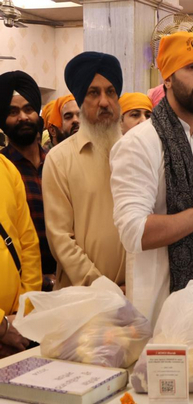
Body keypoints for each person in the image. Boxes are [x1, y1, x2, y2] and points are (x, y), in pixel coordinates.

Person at [110, 32, 193, 327]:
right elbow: (133, 232)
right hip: (160, 313)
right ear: (168, 78)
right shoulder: (139, 144)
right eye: (191, 68)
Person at [43, 51, 127, 290]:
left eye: (110, 91)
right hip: (81, 298)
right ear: (81, 100)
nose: (104, 101)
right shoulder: (59, 160)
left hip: (135, 293)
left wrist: (136, 285)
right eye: (93, 92)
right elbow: (61, 240)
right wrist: (105, 289)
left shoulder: (135, 152)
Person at [0, 70, 56, 291]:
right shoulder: (4, 170)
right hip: (22, 290)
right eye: (13, 111)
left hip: (68, 282)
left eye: (28, 109)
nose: (22, 117)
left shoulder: (56, 164)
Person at [0, 154, 41, 356]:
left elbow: (28, 244)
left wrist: (23, 315)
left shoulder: (6, 168)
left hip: (16, 328)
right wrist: (2, 326)